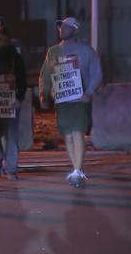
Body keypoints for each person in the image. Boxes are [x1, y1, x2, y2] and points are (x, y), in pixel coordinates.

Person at [39, 17, 102, 188]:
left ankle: (77, 169)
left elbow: (97, 73)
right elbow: (45, 74)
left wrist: (89, 93)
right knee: (67, 134)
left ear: (74, 30)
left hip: (80, 99)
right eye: (61, 27)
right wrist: (44, 94)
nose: (62, 29)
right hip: (62, 98)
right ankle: (76, 169)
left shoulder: (86, 51)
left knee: (78, 132)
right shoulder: (53, 52)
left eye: (66, 27)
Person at [0, 16, 27, 181]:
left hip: (7, 100)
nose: (0, 37)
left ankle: (8, 167)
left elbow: (21, 77)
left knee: (7, 134)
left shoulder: (14, 55)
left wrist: (19, 97)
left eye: (2, 33)